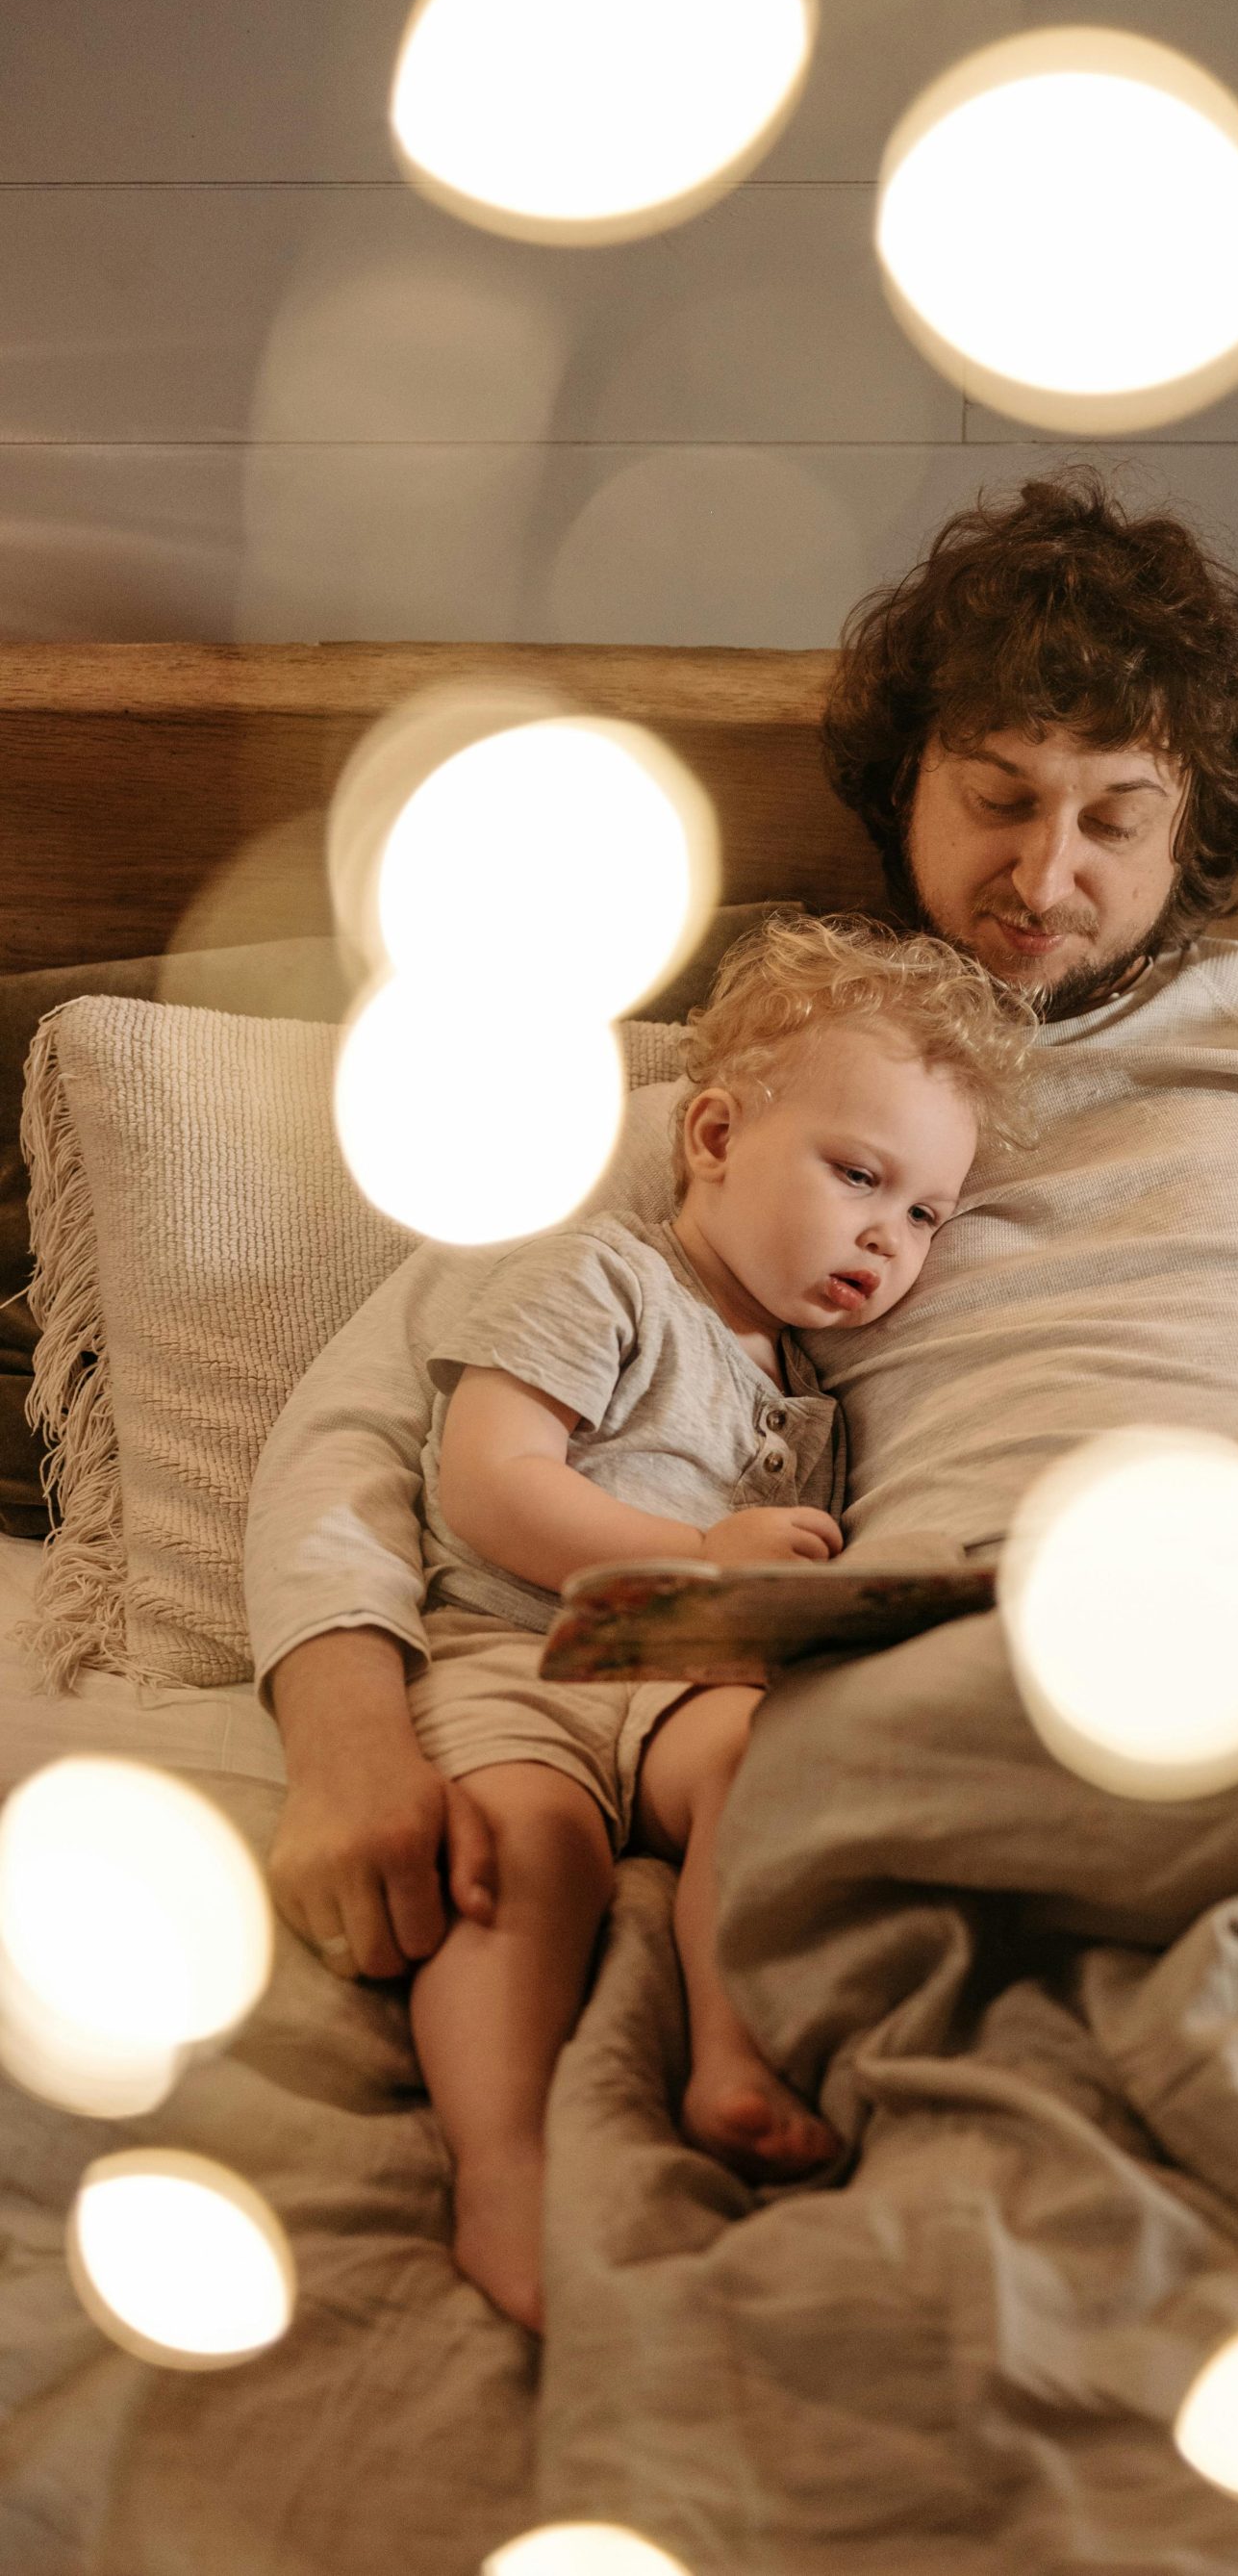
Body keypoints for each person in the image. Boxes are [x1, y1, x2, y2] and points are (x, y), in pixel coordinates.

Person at [247, 462, 1238, 2143]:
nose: (1046, 875)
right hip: (968, 1670)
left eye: (1115, 819)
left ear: (1193, 828)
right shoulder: (761, 1097)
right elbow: (367, 1418)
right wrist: (350, 1743)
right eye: (999, 798)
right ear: (907, 787)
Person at [302, 914, 1033, 2329]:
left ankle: (732, 2059)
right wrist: (698, 1552)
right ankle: (501, 2165)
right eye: (858, 1176)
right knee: (529, 1848)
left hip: (684, 1681)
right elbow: (490, 1482)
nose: (886, 1237)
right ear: (713, 1137)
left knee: (766, 1773)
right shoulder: (600, 1276)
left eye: (925, 1216)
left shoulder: (809, 1395)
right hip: (515, 1654)